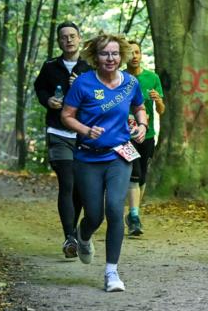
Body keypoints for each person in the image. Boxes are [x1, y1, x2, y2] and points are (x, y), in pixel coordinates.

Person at [61, 33, 148, 292]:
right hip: (87, 157)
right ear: (95, 57)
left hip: (119, 154)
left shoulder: (130, 83)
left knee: (114, 208)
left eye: (114, 54)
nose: (110, 59)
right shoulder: (84, 83)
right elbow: (67, 115)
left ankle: (112, 272)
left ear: (121, 56)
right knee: (95, 215)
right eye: (104, 54)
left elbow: (139, 106)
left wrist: (142, 124)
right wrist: (86, 130)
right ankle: (83, 235)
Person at [32, 21, 92, 259]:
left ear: (80, 39)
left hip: (84, 135)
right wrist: (48, 101)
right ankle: (69, 237)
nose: (68, 40)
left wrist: (79, 87)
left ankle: (75, 235)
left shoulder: (90, 68)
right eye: (63, 37)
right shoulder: (50, 66)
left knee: (79, 189)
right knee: (66, 183)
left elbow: (100, 98)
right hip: (58, 133)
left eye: (72, 36)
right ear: (59, 41)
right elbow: (40, 89)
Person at [124, 40, 164, 236]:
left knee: (142, 178)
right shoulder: (118, 78)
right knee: (134, 173)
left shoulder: (152, 78)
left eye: (137, 52)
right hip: (125, 136)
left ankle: (133, 211)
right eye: (130, 53)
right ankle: (134, 217)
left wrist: (158, 100)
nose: (134, 56)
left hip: (147, 135)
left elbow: (161, 110)